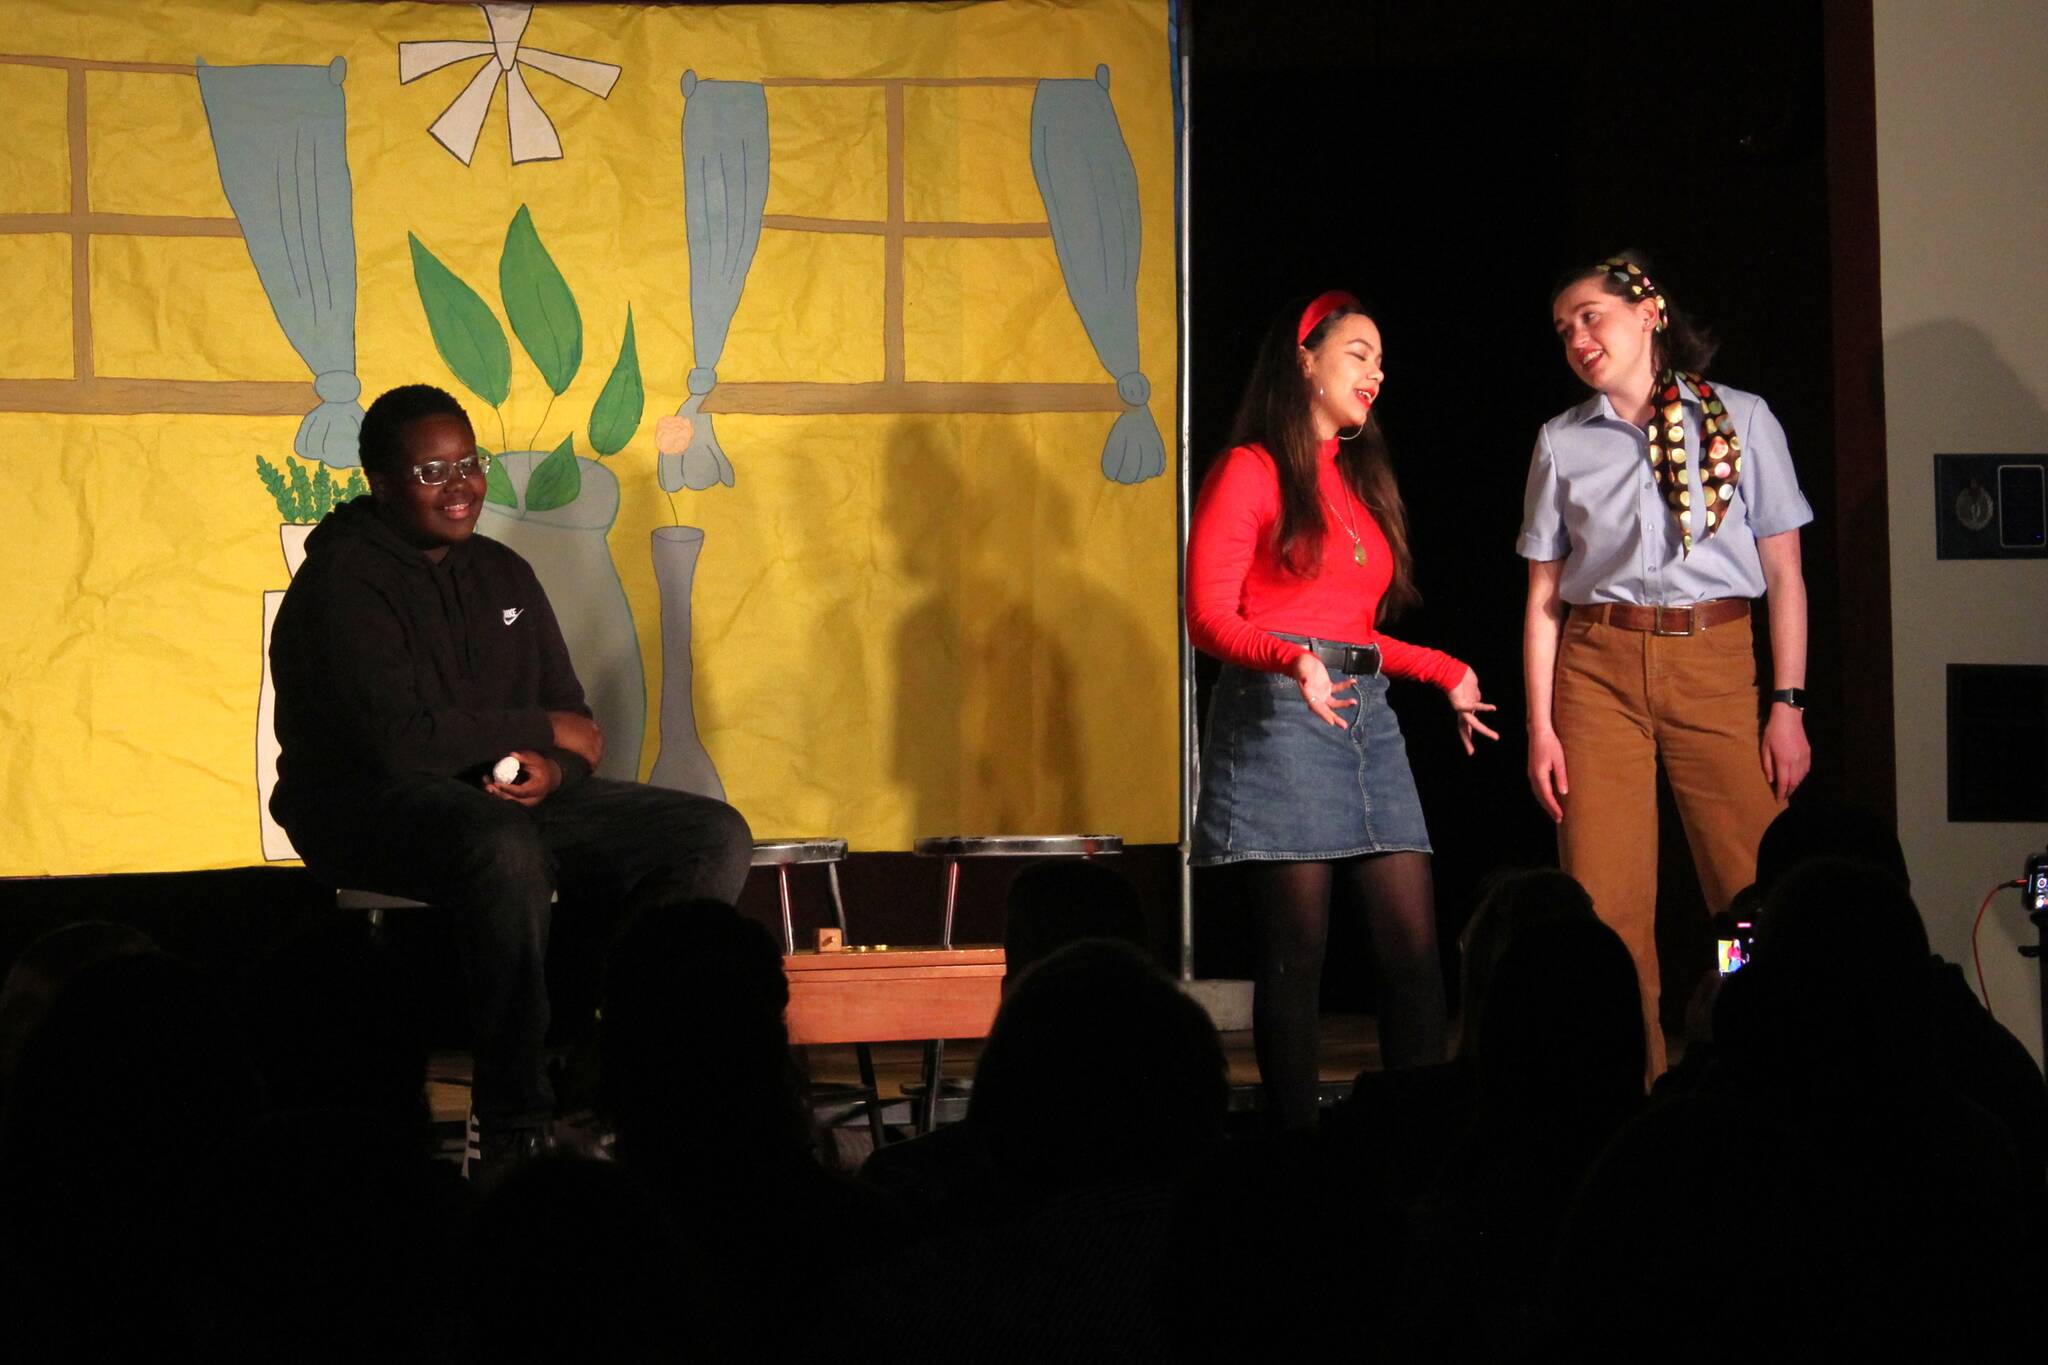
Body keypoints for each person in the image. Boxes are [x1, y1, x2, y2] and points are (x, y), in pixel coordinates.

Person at [268, 383, 753, 1169]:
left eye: (469, 463)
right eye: (432, 471)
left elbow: (575, 724)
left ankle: (610, 1061)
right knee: (500, 845)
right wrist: (537, 734)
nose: (459, 486)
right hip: (362, 803)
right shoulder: (343, 584)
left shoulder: (501, 573)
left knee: (709, 833)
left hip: (496, 800)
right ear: (382, 483)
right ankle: (512, 1114)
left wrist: (552, 772)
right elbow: (399, 744)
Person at [1187, 290, 1497, 1130]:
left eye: (1381, 360)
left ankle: (1418, 1135)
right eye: (1358, 352)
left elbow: (1354, 631)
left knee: (1414, 951)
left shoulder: (1358, 479)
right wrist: (1291, 657)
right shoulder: (1250, 468)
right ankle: (1295, 1148)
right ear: (1306, 360)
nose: (1376, 372)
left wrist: (1445, 670)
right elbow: (1207, 615)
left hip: (1368, 715)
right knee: (1296, 954)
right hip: (1281, 711)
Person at [1519, 253, 1813, 1077]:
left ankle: (1759, 1071)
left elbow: (1785, 574)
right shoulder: (1562, 441)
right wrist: (1540, 723)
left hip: (1714, 656)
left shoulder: (1743, 420)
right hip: (1597, 664)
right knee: (1607, 907)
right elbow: (1544, 595)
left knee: (1750, 892)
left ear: (1647, 313)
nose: (1577, 337)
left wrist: (1787, 702)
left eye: (1589, 316)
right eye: (1563, 328)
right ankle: (1632, 1093)